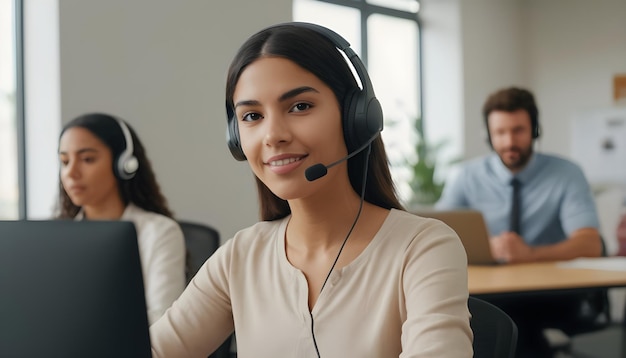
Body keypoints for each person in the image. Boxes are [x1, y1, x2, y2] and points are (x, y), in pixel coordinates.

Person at [150, 22, 472, 357]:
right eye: (252, 116)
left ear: (355, 117)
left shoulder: (422, 248)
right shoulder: (241, 256)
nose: (273, 135)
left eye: (300, 106)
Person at [436, 87, 604, 357]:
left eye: (518, 130)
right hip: (489, 291)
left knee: (510, 326)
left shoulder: (567, 174)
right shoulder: (466, 177)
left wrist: (531, 254)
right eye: (500, 133)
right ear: (487, 135)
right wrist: (487, 246)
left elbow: (590, 244)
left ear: (535, 130)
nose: (509, 141)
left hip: (550, 293)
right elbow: (436, 234)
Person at [57, 112, 186, 325]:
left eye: (87, 159)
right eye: (64, 161)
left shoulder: (159, 232)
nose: (71, 173)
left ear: (124, 164)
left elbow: (162, 323)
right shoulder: (57, 238)